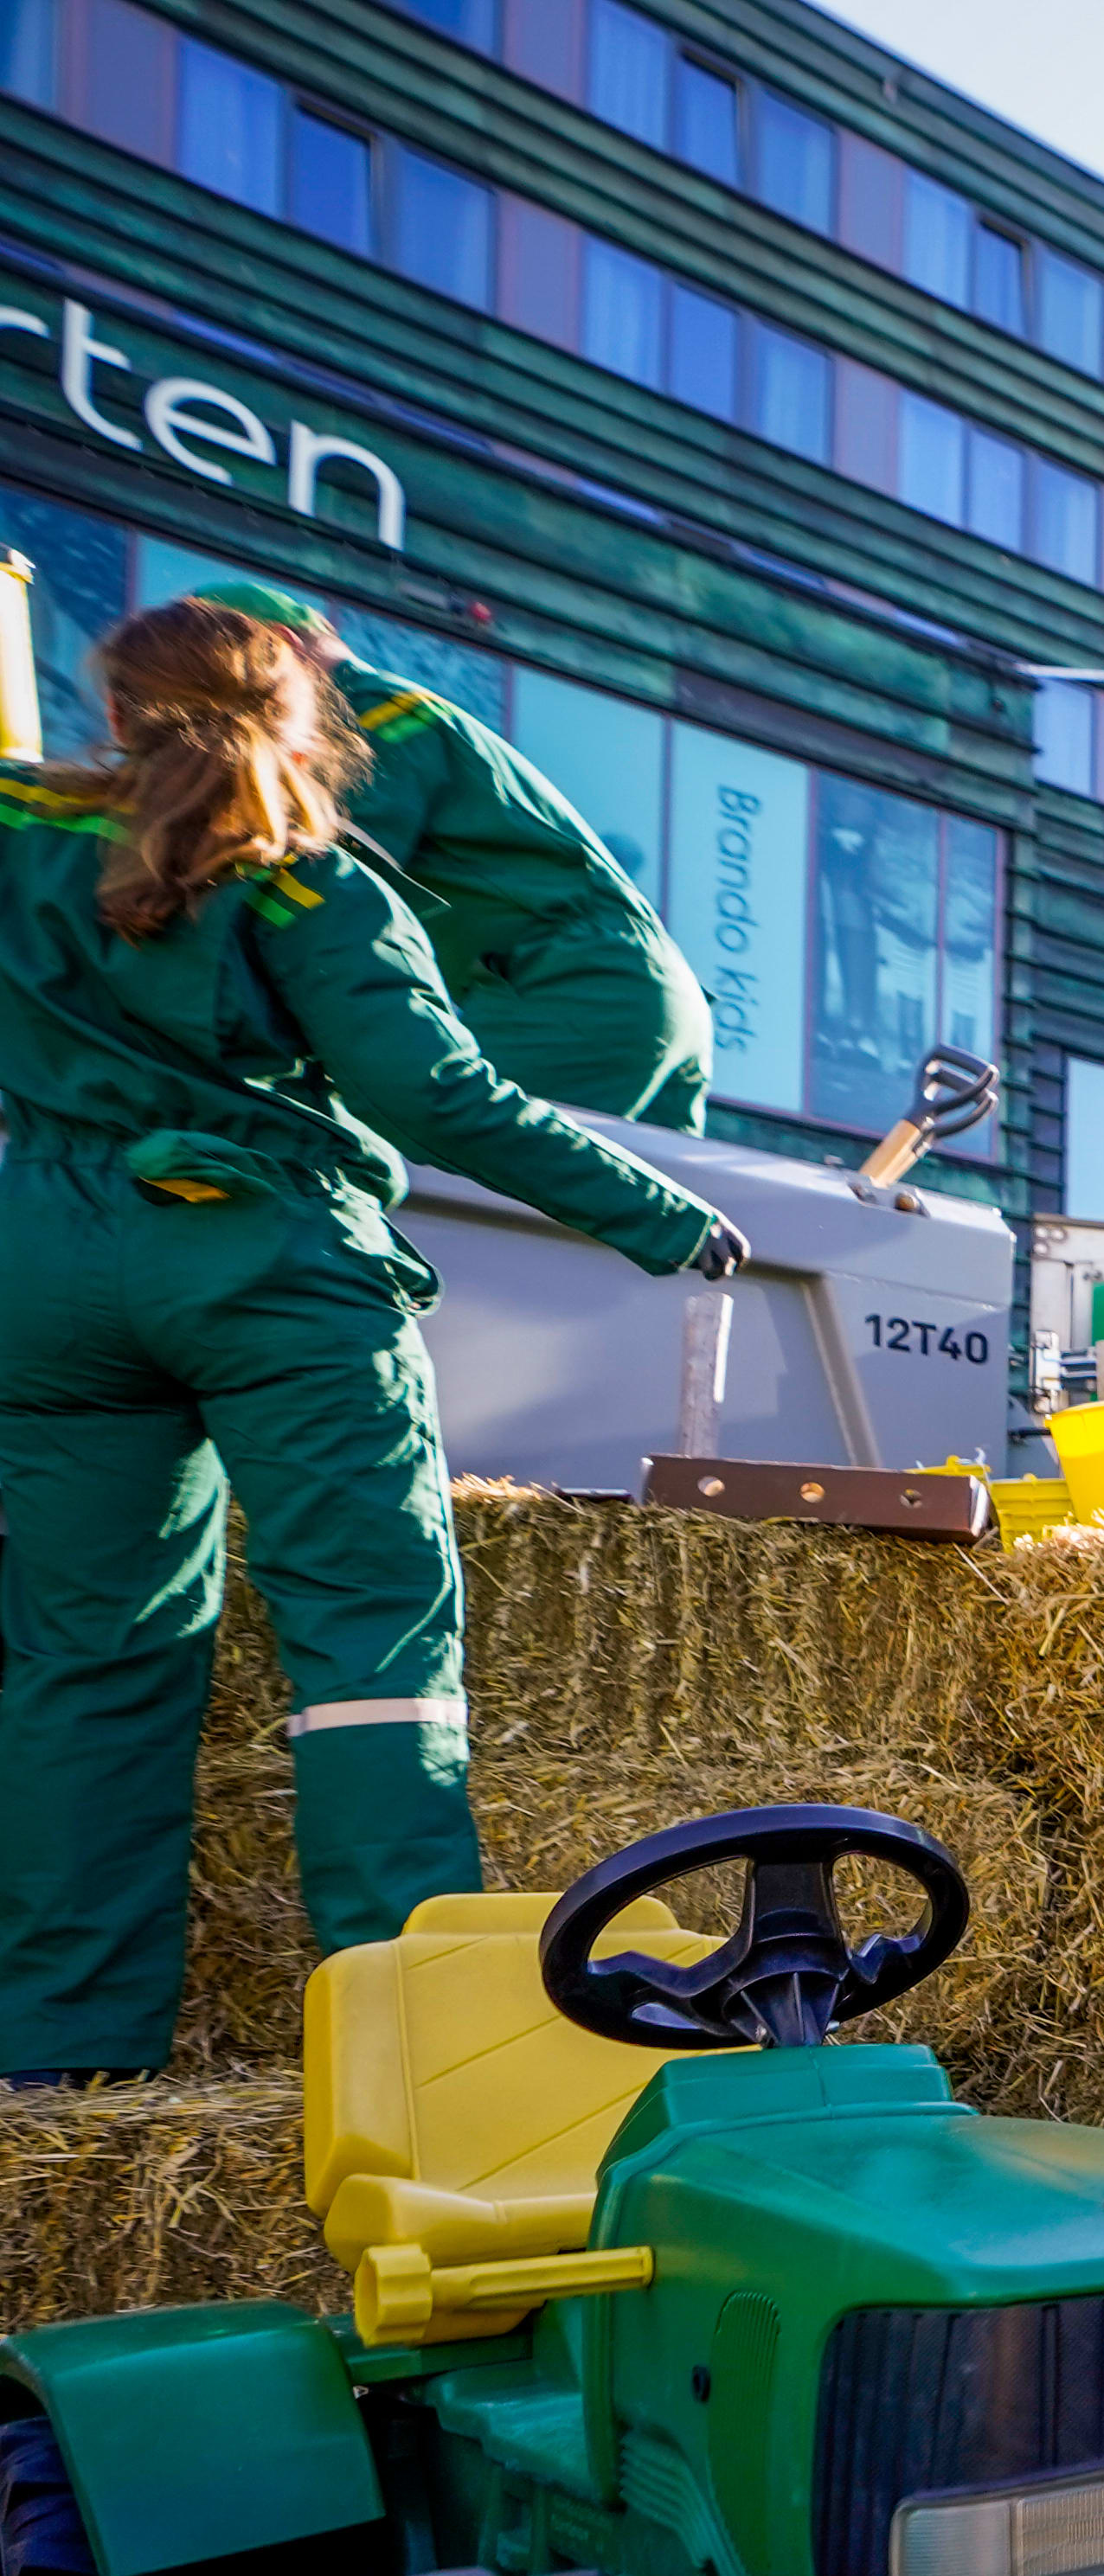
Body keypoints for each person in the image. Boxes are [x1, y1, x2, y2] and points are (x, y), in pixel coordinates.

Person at [0, 600, 733, 2081]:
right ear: (303, 723)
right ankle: (407, 2047)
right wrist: (658, 1213)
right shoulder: (307, 882)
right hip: (270, 1259)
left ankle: (60, 2052)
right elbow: (437, 1095)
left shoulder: (17, 840)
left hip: (49, 1274)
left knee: (84, 1661)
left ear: (116, 711)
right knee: (370, 1646)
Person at [188, 580, 716, 1128]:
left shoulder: (357, 720)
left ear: (280, 646)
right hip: (644, 995)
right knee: (624, 1187)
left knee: (424, 1159)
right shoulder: (403, 711)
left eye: (211, 679)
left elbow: (329, 882)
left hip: (573, 990)